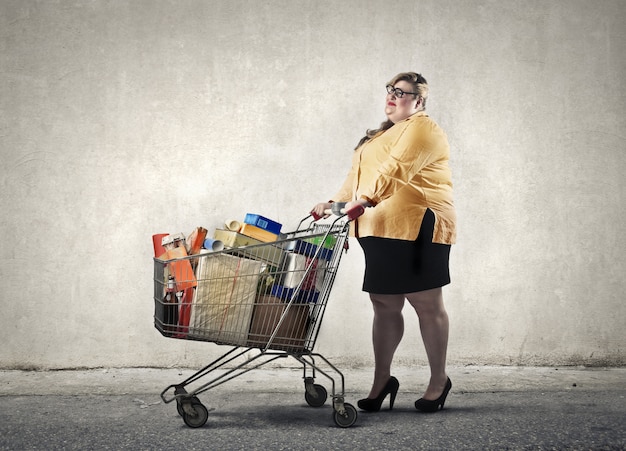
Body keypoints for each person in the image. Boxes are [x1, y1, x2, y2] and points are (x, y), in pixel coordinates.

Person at [311, 72, 456, 413]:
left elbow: (396, 170)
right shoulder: (377, 137)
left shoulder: (422, 128)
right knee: (384, 304)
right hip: (378, 229)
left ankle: (438, 381)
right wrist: (333, 205)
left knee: (425, 303)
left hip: (418, 225)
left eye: (402, 93)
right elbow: (355, 179)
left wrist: (365, 201)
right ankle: (383, 379)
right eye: (390, 90)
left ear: (418, 101)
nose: (392, 96)